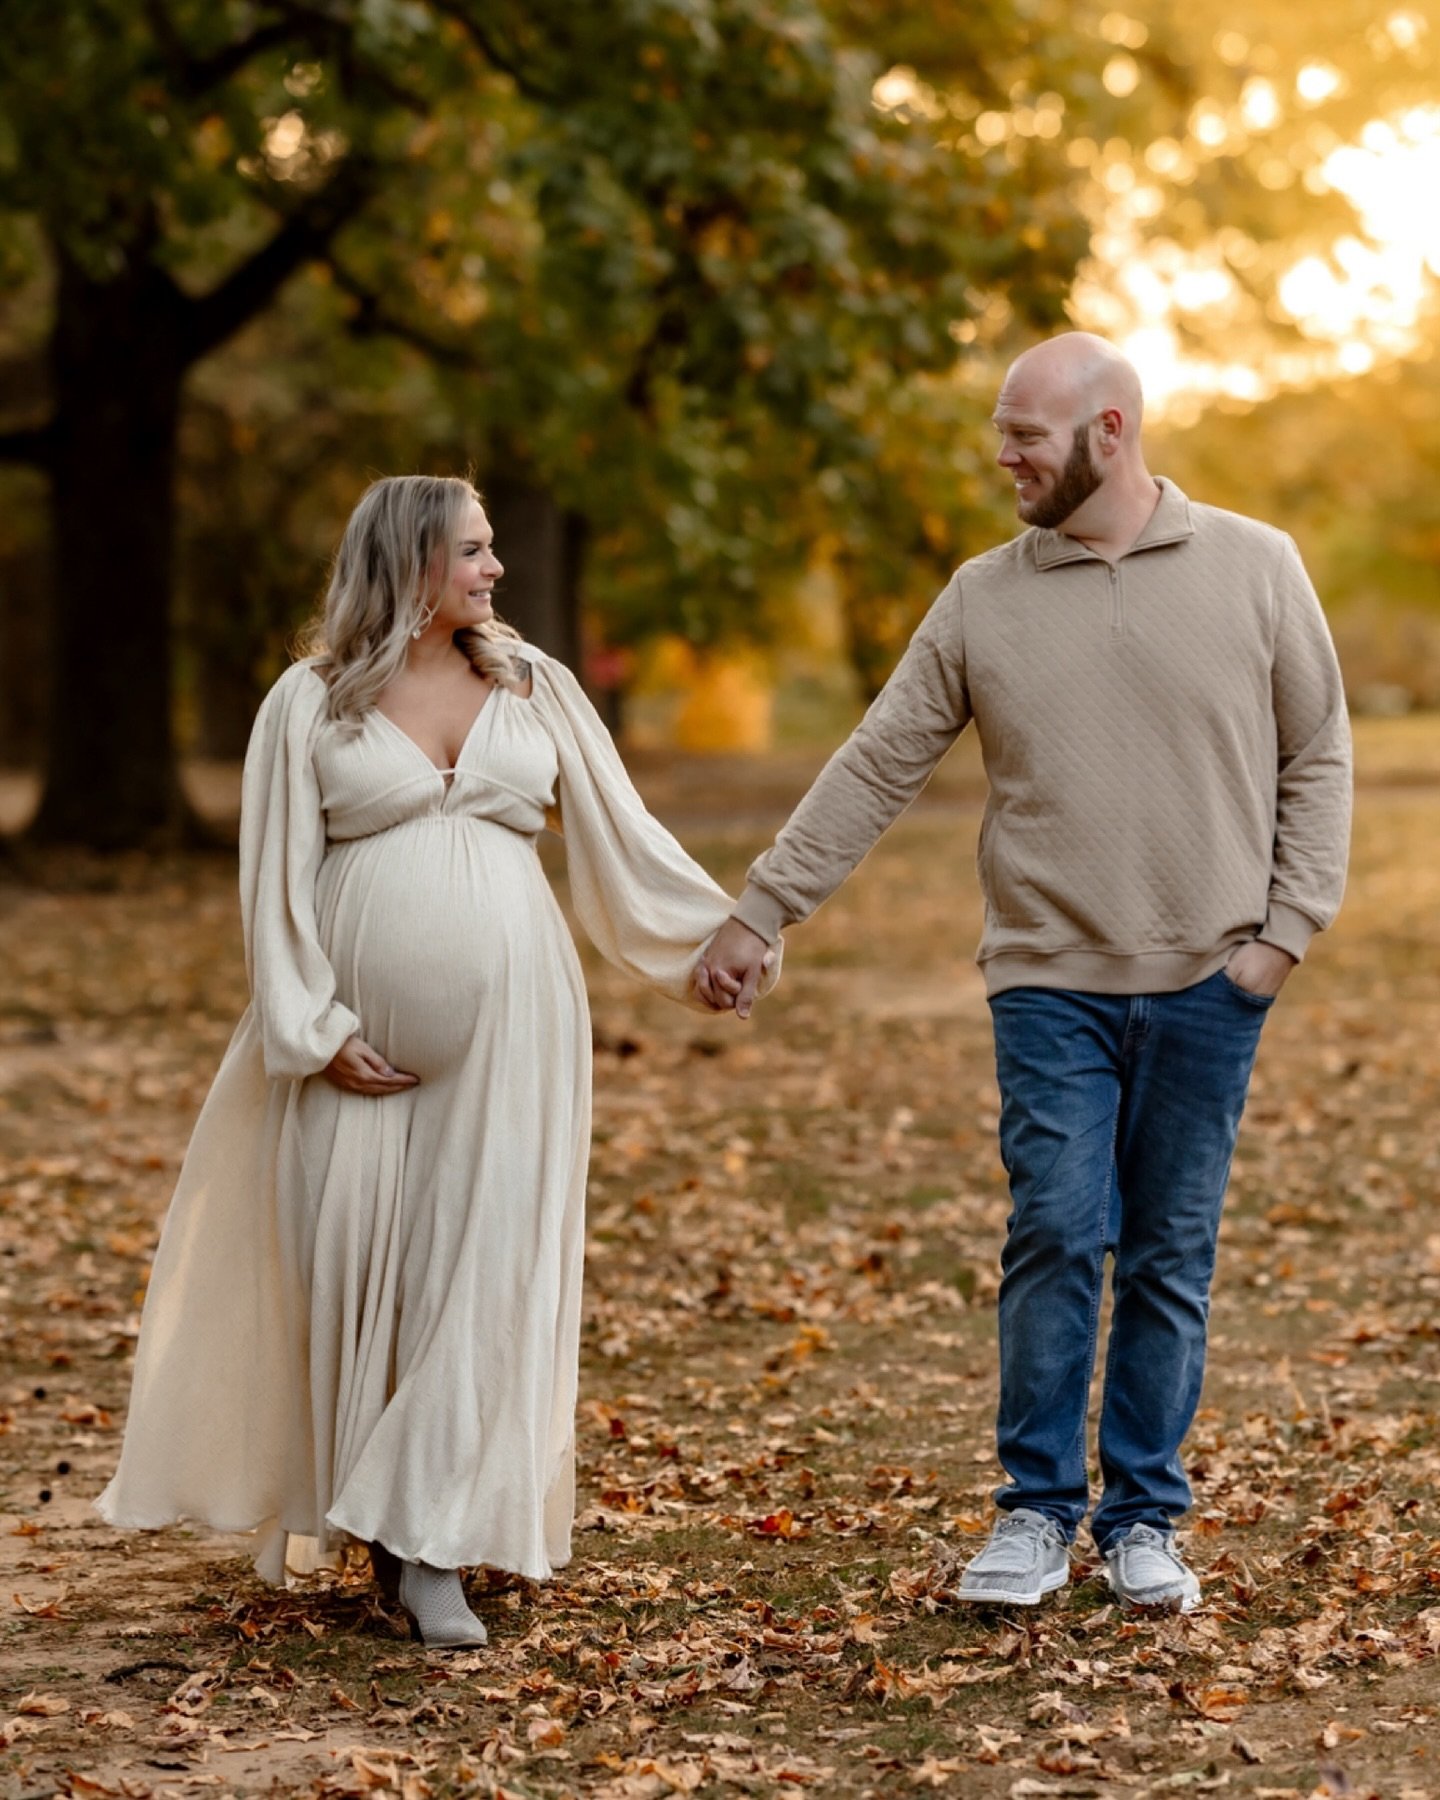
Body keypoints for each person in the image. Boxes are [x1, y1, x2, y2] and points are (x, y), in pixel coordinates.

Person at [697, 332, 1351, 1612]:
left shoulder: (1257, 566)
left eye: (1024, 435)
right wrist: (763, 909)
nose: (1004, 456)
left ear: (1110, 432)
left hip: (1211, 980)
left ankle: (1144, 1517)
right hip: (1047, 977)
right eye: (1002, 433)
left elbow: (1317, 753)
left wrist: (1283, 936)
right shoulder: (982, 597)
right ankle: (1037, 1513)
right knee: (1055, 1229)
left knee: (1168, 1253)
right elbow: (880, 760)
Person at [98, 474, 776, 1647]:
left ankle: (428, 1548)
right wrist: (315, 1029)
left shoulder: (531, 683)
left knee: (483, 1274)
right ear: (408, 561)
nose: (494, 568)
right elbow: (273, 884)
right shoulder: (309, 702)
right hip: (349, 1052)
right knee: (368, 1277)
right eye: (471, 549)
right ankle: (387, 1526)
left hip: (518, 1039)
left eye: (491, 547)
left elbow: (623, 836)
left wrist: (714, 939)